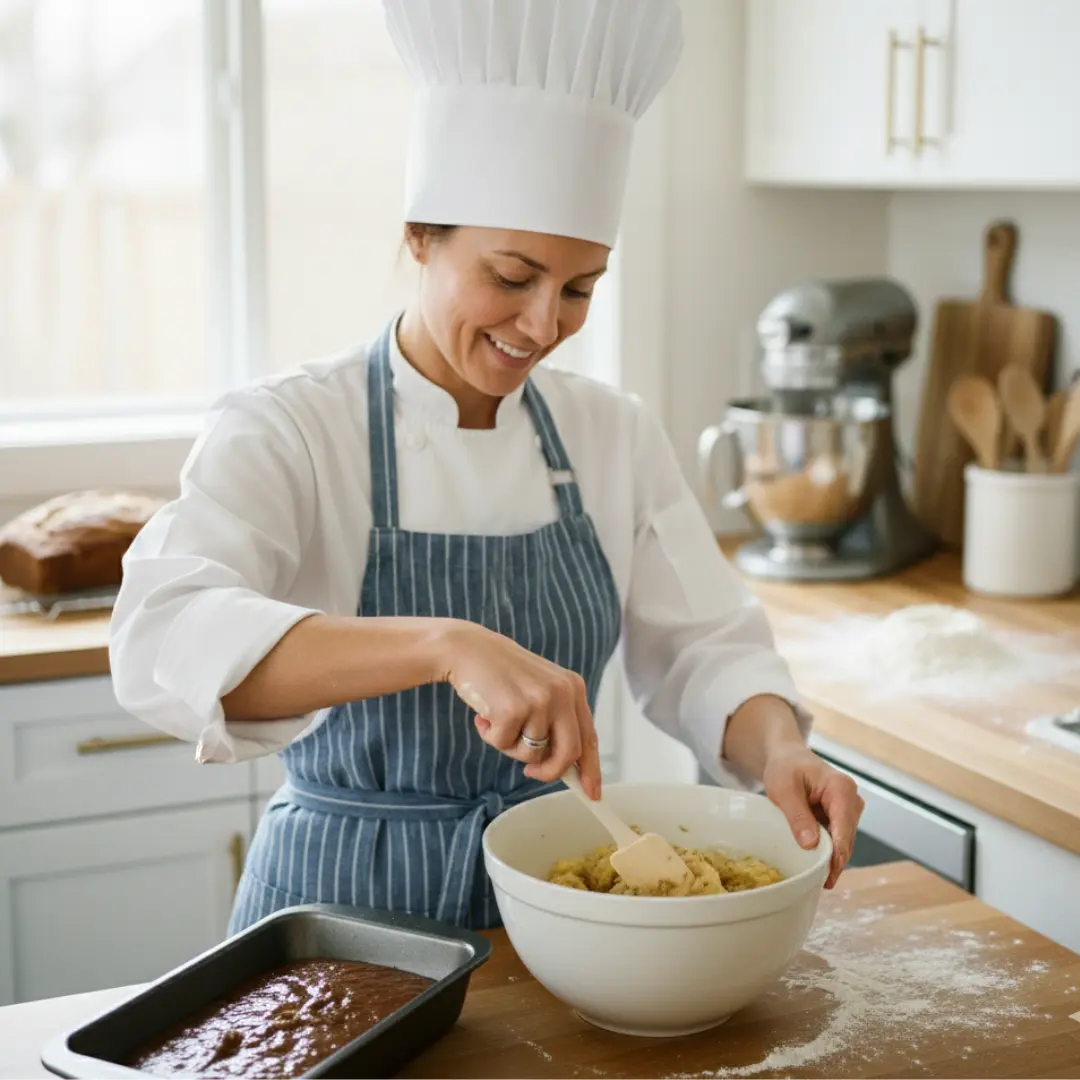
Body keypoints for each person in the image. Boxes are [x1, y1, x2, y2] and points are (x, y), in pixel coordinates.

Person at [110, 0, 863, 935]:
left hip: (552, 915)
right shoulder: (292, 427)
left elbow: (706, 649)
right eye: (511, 277)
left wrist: (779, 747)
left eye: (579, 288)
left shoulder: (611, 433)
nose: (544, 325)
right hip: (333, 913)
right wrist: (447, 645)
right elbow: (160, 641)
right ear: (420, 236)